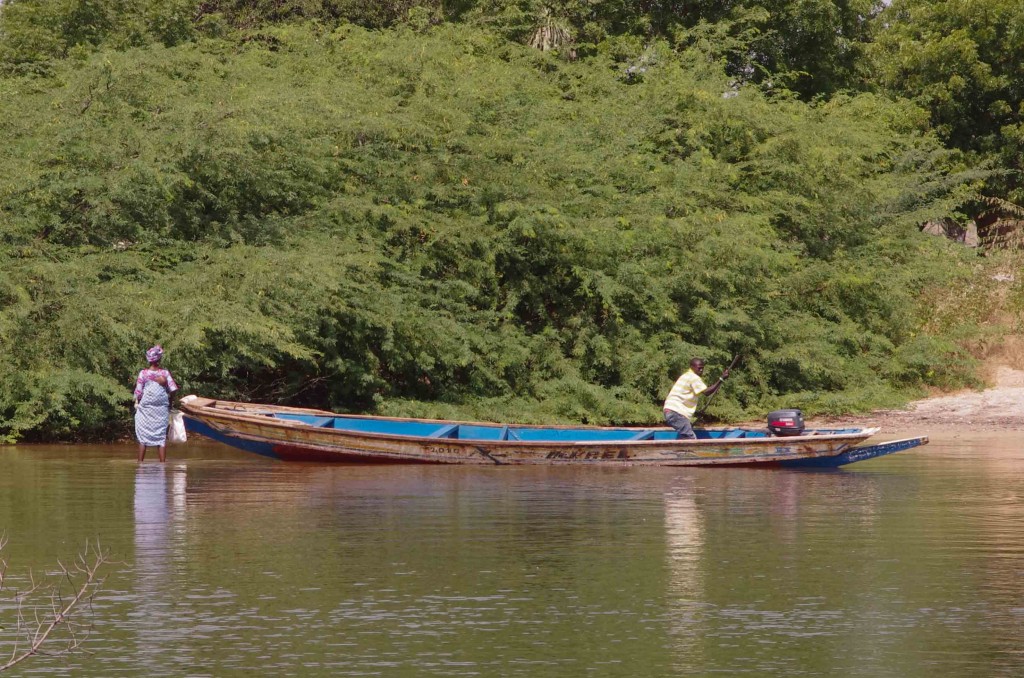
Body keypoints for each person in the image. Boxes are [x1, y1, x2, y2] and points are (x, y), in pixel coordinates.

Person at [663, 358, 729, 440]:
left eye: (702, 368)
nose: (701, 370)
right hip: (675, 413)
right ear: (692, 367)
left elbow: (682, 400)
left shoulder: (685, 376)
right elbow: (707, 392)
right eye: (699, 368)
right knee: (690, 438)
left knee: (686, 437)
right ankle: (681, 452)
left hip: (672, 411)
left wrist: (696, 413)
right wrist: (721, 379)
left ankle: (679, 452)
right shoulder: (693, 377)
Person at [133, 345, 179, 462]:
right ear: (159, 359)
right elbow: (173, 389)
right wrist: (170, 402)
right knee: (161, 437)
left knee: (143, 438)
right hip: (161, 409)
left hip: (146, 409)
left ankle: (140, 465)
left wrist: (137, 401)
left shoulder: (143, 374)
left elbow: (138, 392)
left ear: (149, 360)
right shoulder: (164, 373)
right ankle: (162, 464)